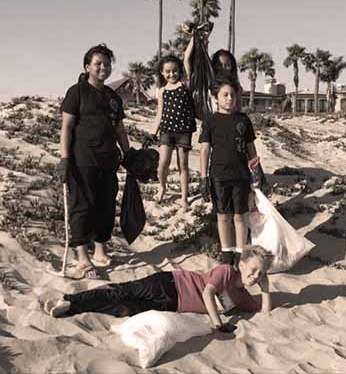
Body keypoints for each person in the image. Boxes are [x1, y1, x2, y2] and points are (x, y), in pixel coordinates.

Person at [43, 245, 273, 332]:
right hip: (171, 283)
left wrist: (266, 288)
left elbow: (264, 312)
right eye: (252, 270)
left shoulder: (242, 297)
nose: (255, 276)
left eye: (260, 273)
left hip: (172, 305)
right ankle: (69, 300)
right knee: (123, 291)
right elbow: (208, 293)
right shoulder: (226, 271)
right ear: (241, 264)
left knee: (125, 308)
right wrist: (218, 324)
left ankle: (75, 308)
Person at [58, 43, 130, 279]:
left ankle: (100, 251)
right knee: (83, 206)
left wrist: (128, 154)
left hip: (108, 160)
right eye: (98, 63)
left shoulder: (113, 97)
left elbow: (120, 130)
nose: (103, 67)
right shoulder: (76, 92)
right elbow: (67, 127)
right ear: (87, 66)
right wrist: (64, 159)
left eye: (107, 63)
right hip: (82, 159)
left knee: (106, 206)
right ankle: (82, 258)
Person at [199, 75, 264, 268]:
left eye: (233, 95)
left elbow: (251, 148)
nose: (230, 98)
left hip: (241, 176)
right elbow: (204, 150)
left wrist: (256, 171)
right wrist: (203, 178)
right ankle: (227, 251)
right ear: (215, 98)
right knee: (223, 215)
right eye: (225, 95)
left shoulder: (243, 120)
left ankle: (240, 250)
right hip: (218, 176)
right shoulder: (210, 121)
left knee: (240, 215)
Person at [146, 55, 196, 213]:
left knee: (183, 166)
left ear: (180, 71)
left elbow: (188, 59)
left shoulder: (185, 84)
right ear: (161, 72)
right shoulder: (161, 91)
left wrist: (194, 37)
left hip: (183, 131)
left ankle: (184, 197)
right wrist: (153, 133)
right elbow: (159, 114)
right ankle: (162, 188)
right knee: (162, 164)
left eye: (174, 71)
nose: (171, 74)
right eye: (167, 71)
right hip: (166, 131)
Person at [184, 35, 243, 112]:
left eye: (227, 65)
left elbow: (238, 110)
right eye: (219, 65)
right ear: (213, 65)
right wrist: (195, 36)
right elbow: (187, 60)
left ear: (232, 67)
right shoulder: (205, 83)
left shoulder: (237, 88)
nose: (223, 68)